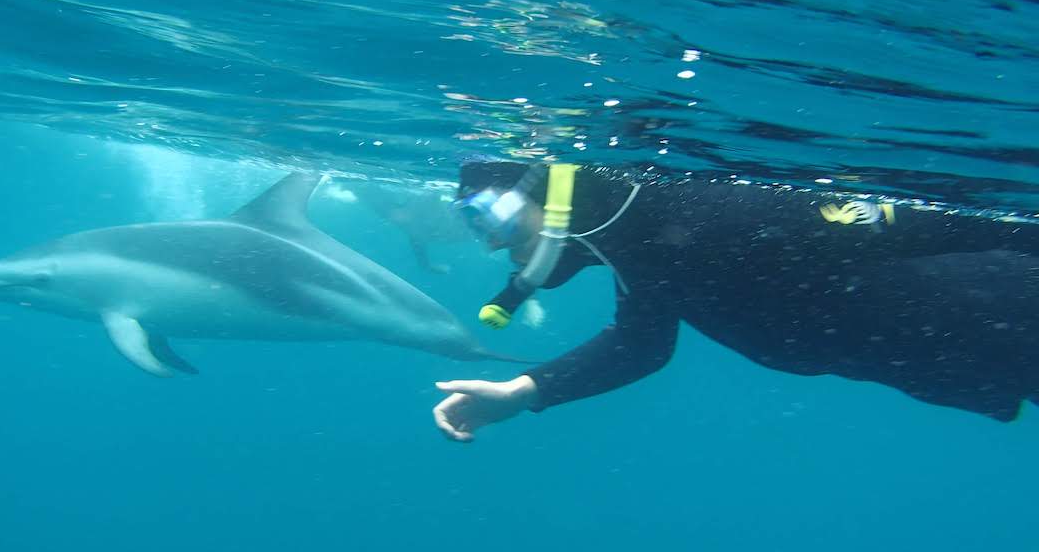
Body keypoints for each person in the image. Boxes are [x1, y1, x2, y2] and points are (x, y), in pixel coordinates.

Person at [432, 161, 1039, 441]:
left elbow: (934, 224)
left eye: (496, 217)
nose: (493, 245)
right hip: (988, 355)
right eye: (474, 226)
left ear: (551, 190)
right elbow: (640, 345)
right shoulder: (643, 244)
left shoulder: (707, 215)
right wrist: (524, 393)